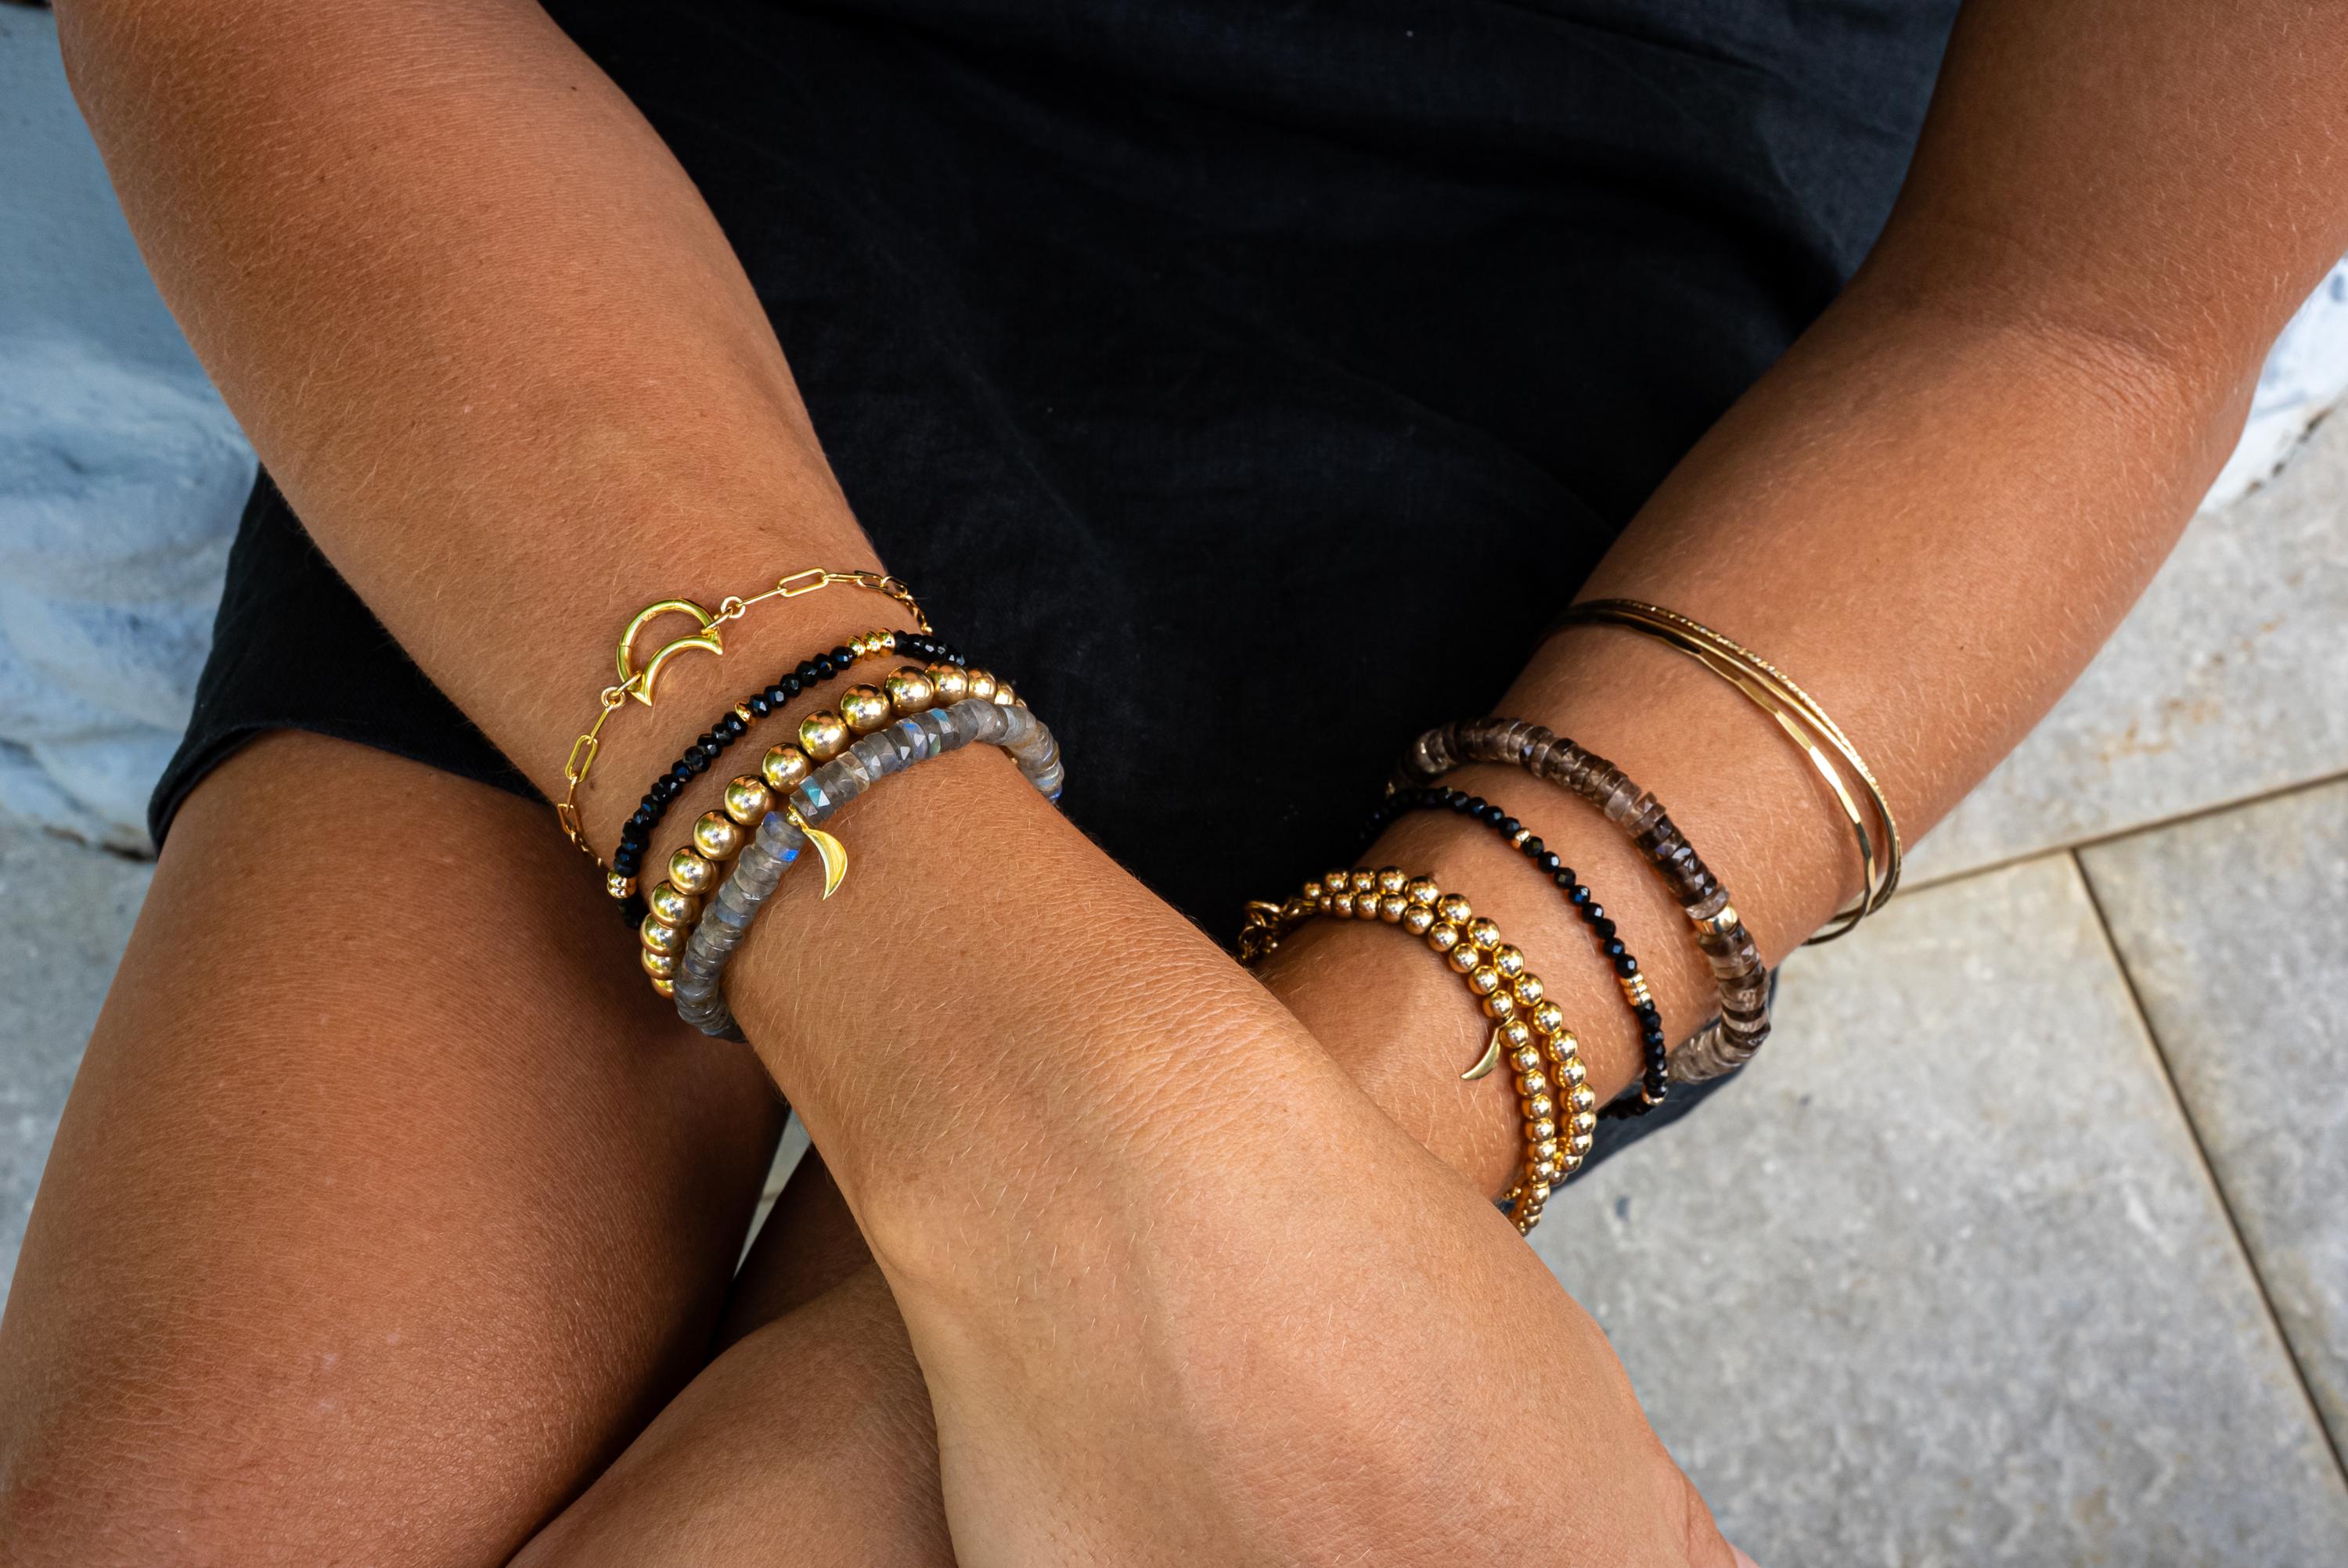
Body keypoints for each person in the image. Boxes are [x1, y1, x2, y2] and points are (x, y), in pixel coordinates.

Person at [3, 0, 2343, 1561]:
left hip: (1620, 201)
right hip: (633, 153)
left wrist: (1309, 1146)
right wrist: (1098, 1155)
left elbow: (2093, 303)